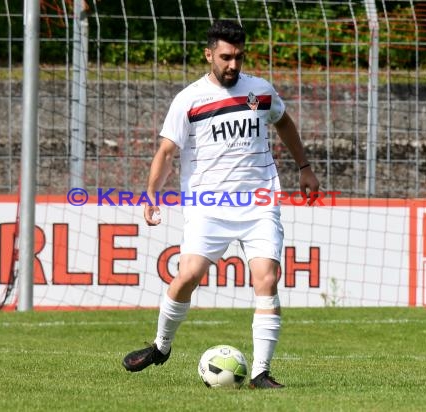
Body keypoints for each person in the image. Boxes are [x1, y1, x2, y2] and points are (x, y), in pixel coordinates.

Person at [122, 19, 319, 389]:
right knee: (188, 275)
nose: (232, 65)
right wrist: (151, 193)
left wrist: (305, 168)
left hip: (259, 202)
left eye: (238, 58)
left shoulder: (260, 91)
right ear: (208, 54)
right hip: (208, 205)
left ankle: (261, 372)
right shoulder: (189, 99)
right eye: (225, 57)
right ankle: (161, 346)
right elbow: (167, 151)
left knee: (268, 278)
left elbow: (284, 123)